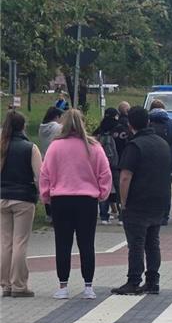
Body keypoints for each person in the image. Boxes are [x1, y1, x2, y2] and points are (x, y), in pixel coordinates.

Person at [39, 109, 112, 298]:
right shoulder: (93, 146)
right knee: (86, 243)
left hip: (61, 200)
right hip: (87, 200)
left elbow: (45, 173)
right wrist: (102, 194)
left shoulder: (55, 147)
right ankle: (88, 286)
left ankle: (63, 287)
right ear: (82, 123)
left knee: (62, 243)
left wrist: (46, 196)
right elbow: (105, 173)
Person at [111, 106, 172, 295]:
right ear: (148, 121)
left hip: (138, 202)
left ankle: (134, 280)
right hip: (159, 200)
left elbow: (125, 177)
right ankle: (153, 281)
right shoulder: (162, 144)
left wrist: (123, 201)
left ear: (130, 124)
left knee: (136, 243)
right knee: (153, 242)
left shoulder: (134, 146)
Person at [1, 111, 42, 297]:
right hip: (23, 199)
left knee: (5, 242)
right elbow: (39, 176)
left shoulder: (1, 146)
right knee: (20, 242)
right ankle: (19, 285)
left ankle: (5, 284)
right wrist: (41, 195)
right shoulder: (30, 148)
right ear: (23, 126)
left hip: (1, 198)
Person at [149, 100, 172, 225]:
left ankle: (152, 213)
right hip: (168, 161)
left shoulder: (148, 122)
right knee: (165, 188)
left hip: (150, 161)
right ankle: (164, 216)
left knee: (150, 187)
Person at [93, 108, 121, 224]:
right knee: (119, 189)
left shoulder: (100, 130)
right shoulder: (120, 127)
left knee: (103, 188)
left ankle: (104, 216)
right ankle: (121, 215)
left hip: (101, 164)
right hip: (117, 163)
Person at [38, 107, 63, 222]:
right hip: (56, 160)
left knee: (47, 186)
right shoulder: (57, 127)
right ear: (56, 116)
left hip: (44, 158)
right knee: (56, 186)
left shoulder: (41, 128)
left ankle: (48, 213)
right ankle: (56, 213)